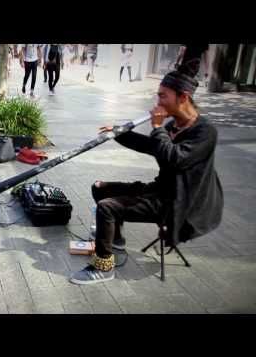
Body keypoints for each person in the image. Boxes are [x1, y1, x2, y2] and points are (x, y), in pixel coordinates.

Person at [70, 70, 224, 285]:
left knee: (107, 207)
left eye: (163, 96)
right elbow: (153, 147)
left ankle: (103, 266)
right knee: (100, 188)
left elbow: (175, 158)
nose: (157, 101)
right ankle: (116, 241)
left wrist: (157, 127)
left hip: (176, 204)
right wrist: (119, 133)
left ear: (183, 97)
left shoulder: (205, 132)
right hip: (159, 190)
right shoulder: (173, 126)